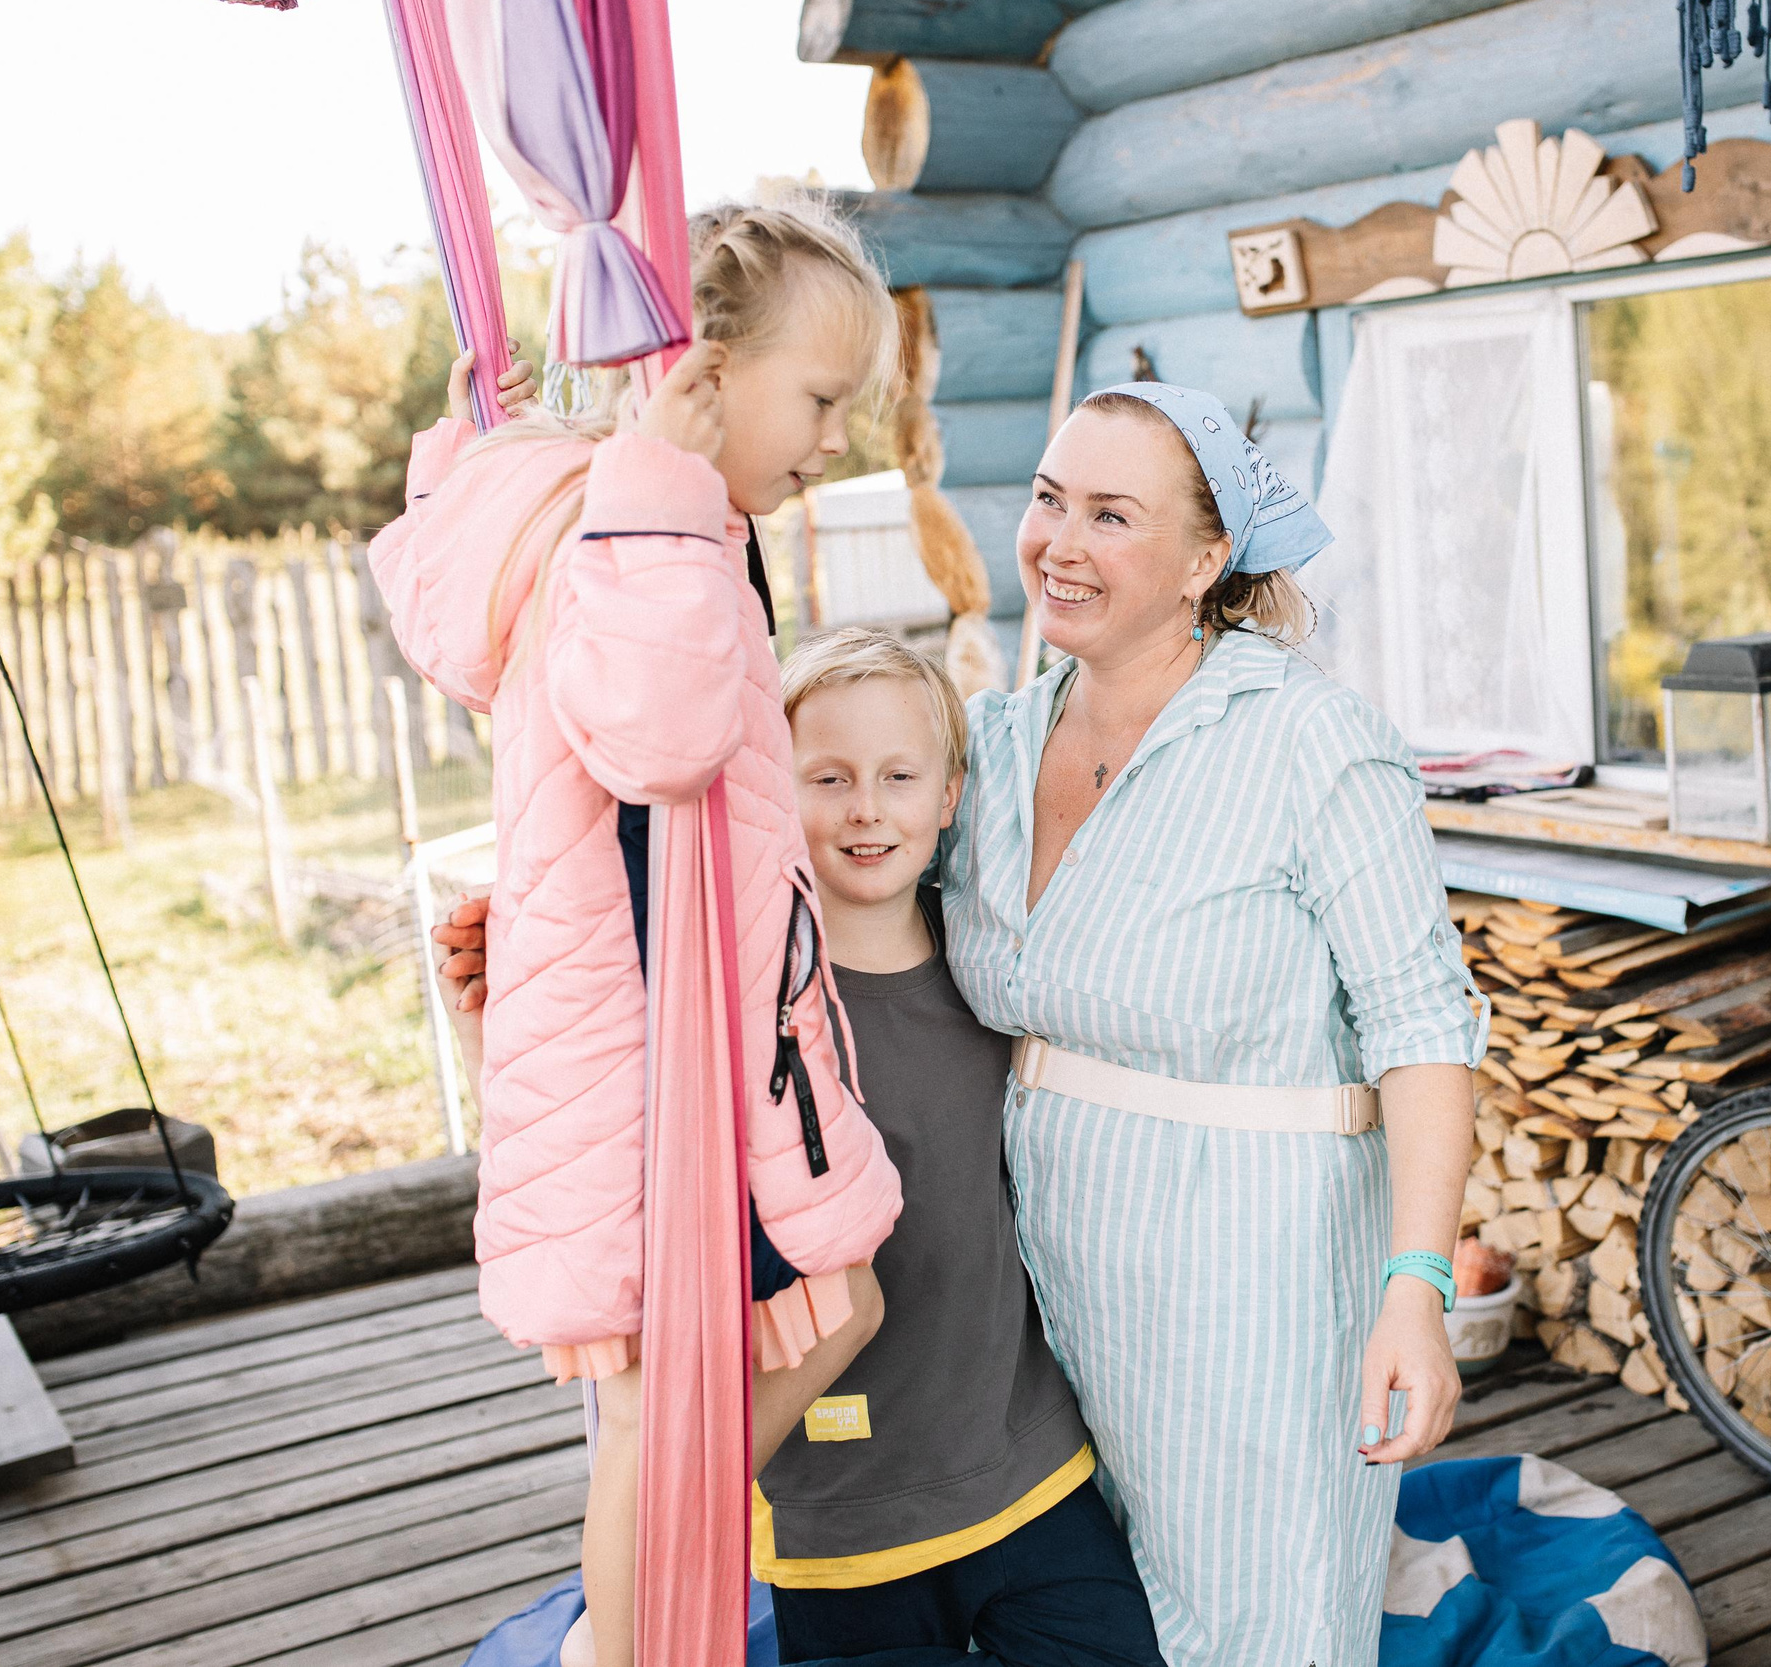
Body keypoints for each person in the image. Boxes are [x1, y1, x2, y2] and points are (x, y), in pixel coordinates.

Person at [373, 195, 908, 1667]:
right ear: (704, 372)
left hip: (698, 1028)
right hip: (649, 1059)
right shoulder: (640, 522)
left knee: (787, 1335)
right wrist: (666, 487)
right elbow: (663, 738)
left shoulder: (654, 518)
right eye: (818, 397)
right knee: (660, 1419)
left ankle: (646, 1588)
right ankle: (618, 1642)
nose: (836, 436)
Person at [941, 383, 1486, 1666]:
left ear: (1204, 561)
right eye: (1047, 498)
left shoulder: (1315, 744)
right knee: (1093, 1625)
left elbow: (1422, 1029)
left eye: (1111, 515)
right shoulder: (993, 744)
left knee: (1258, 1630)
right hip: (1040, 1283)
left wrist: (1418, 1290)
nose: (1059, 543)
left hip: (1257, 1283)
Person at [743, 625, 1164, 1665]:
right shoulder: (751, 1014)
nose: (864, 808)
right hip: (837, 1514)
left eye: (897, 775)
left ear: (947, 796)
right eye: (827, 777)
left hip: (1025, 1468)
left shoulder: (999, 970)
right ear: (773, 794)